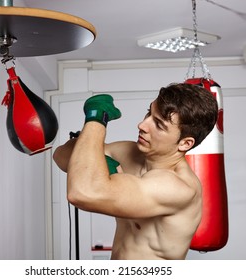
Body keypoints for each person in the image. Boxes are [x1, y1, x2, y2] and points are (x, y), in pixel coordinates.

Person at [53, 83, 218, 260]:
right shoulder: (130, 152)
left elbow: (82, 192)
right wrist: (101, 164)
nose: (142, 125)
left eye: (159, 125)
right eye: (149, 113)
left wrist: (96, 117)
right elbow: (60, 155)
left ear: (185, 143)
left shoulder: (177, 187)